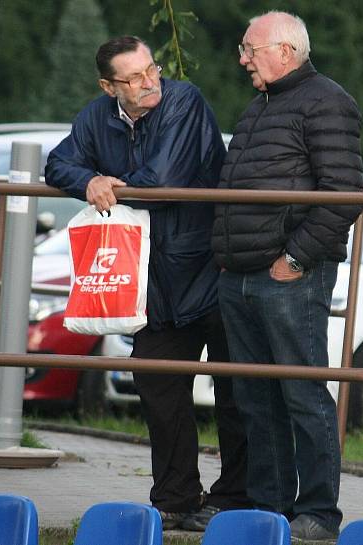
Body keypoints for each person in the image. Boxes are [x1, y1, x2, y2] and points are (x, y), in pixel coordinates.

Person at [46, 35, 249, 531]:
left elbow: (162, 178)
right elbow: (56, 163)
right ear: (108, 86)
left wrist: (106, 179)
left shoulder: (183, 100)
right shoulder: (97, 116)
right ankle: (176, 499)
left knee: (236, 392)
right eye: (134, 78)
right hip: (150, 282)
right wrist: (87, 181)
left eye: (151, 69)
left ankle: (236, 500)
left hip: (209, 266)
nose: (149, 82)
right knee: (159, 387)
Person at [212, 11, 363, 541]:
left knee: (302, 394)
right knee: (255, 398)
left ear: (285, 50)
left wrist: (295, 259)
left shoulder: (327, 100)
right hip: (242, 274)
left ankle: (320, 513)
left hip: (289, 276)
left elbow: (344, 191)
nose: (242, 58)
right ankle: (269, 509)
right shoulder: (261, 105)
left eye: (250, 48)